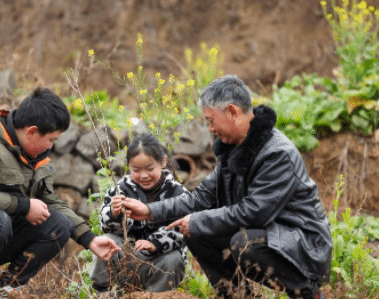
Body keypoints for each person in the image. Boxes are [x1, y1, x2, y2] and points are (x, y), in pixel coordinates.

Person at [120, 75, 331, 299]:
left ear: (232, 112)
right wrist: (150, 211)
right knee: (197, 233)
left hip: (302, 240)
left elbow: (254, 213)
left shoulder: (277, 154)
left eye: (211, 120)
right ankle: (238, 296)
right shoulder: (233, 150)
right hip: (270, 232)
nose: (210, 129)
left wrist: (199, 220)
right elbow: (198, 199)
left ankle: (307, 293)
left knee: (244, 242)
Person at [0, 88, 120, 299]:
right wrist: (24, 205)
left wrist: (88, 239)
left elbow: (51, 202)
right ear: (31, 132)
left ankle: (2, 290)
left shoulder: (35, 157)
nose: (51, 146)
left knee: (58, 224)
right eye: (51, 139)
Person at [90, 132, 188, 293]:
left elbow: (183, 229)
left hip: (159, 260)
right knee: (105, 241)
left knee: (174, 258)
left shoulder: (177, 192)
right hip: (127, 257)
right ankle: (103, 292)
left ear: (163, 162)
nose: (143, 176)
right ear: (128, 166)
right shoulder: (119, 189)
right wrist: (114, 214)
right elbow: (105, 227)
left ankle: (157, 295)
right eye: (136, 169)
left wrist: (156, 243)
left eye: (150, 169)